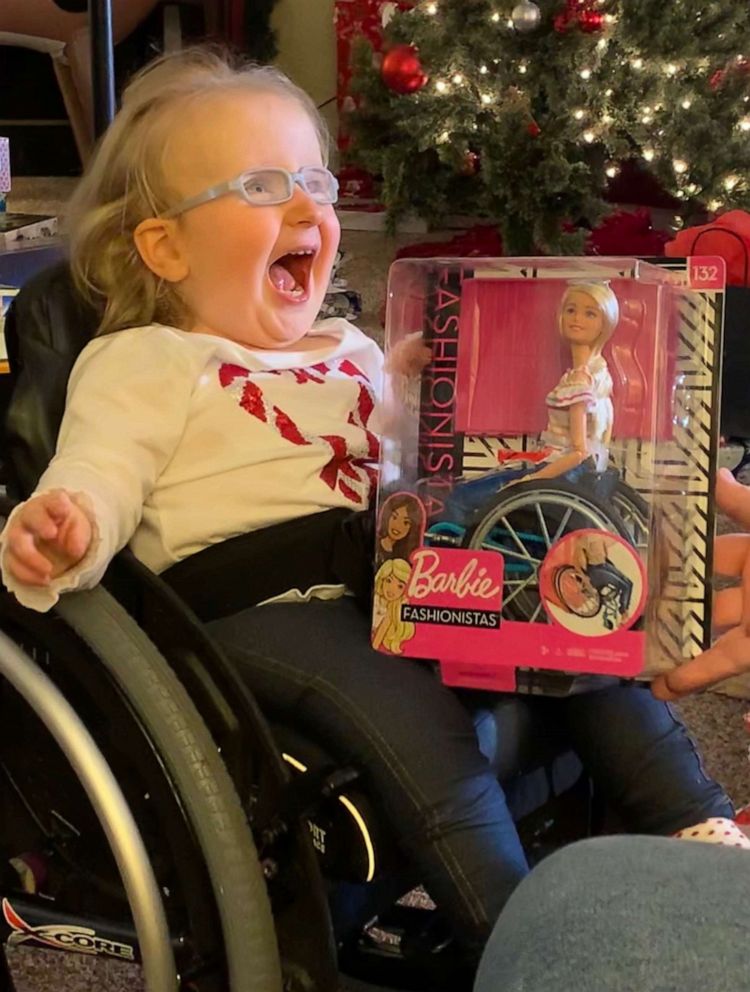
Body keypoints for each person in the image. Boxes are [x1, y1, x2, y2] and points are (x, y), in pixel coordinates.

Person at [0, 47, 745, 970]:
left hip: (396, 572)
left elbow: (397, 457)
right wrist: (65, 519)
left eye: (314, 178)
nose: (309, 202)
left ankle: (701, 827)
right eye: (262, 183)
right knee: (415, 723)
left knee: (563, 631)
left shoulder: (349, 341)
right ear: (167, 246)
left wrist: (431, 398)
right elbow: (100, 468)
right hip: (257, 609)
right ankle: (526, 947)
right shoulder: (149, 359)